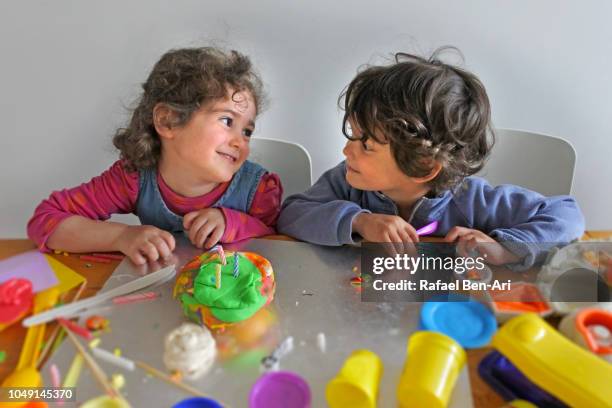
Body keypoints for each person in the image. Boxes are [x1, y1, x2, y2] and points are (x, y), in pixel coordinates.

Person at [277, 48, 584, 269]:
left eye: (366, 144)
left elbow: (568, 217)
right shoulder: (347, 182)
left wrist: (504, 248)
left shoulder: (472, 201)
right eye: (352, 135)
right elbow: (291, 215)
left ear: (423, 165)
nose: (347, 151)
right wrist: (360, 221)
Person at [28, 47, 282, 265]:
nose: (240, 141)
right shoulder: (133, 179)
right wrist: (121, 237)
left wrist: (234, 224)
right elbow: (46, 220)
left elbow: (281, 244)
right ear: (168, 121)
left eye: (247, 131)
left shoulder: (258, 190)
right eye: (227, 120)